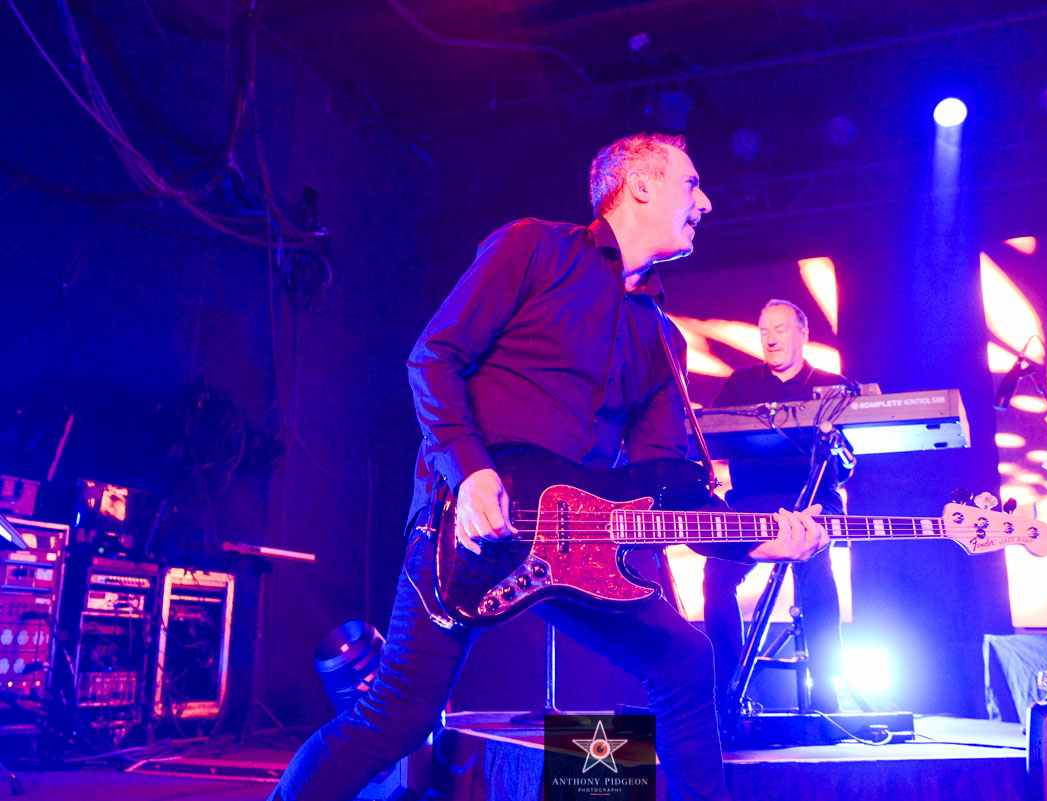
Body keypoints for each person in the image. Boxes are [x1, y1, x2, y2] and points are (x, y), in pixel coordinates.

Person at [269, 134, 830, 801]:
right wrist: (470, 470)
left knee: (684, 659)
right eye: (691, 184)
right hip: (466, 526)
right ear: (640, 184)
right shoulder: (534, 247)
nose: (705, 203)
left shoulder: (663, 339)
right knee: (397, 717)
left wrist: (757, 539)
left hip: (576, 546)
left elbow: (663, 483)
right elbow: (433, 359)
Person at [703, 299, 854, 714]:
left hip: (811, 504)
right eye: (764, 331)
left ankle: (826, 692)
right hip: (750, 506)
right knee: (716, 576)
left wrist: (834, 445)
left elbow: (846, 466)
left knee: (815, 570)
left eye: (780, 329)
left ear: (803, 334)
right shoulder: (740, 383)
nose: (770, 339)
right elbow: (710, 437)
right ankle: (725, 692)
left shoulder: (834, 386)